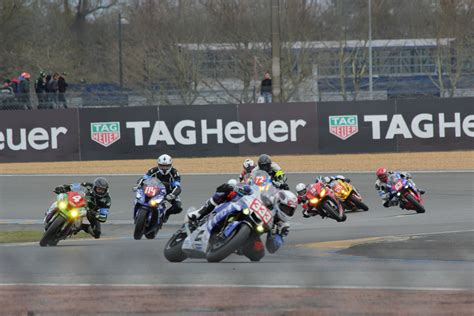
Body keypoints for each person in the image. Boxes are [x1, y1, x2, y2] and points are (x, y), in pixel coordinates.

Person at [44, 177, 111, 238]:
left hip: (91, 212)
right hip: (78, 202)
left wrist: (96, 214)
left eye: (102, 190)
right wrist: (63, 187)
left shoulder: (107, 200)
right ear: (94, 187)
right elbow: (73, 186)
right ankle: (50, 212)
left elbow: (103, 217)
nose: (100, 191)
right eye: (99, 189)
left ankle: (80, 227)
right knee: (61, 201)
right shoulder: (88, 185)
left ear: (106, 190)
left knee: (97, 233)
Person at [136, 154, 182, 222]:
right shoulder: (153, 170)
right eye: (162, 166)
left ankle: (167, 214)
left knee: (178, 207)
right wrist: (138, 185)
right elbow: (143, 178)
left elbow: (177, 187)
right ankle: (138, 214)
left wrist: (172, 195)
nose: (164, 168)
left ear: (170, 165)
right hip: (153, 189)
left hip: (168, 192)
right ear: (158, 164)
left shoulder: (175, 173)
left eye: (167, 166)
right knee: (140, 198)